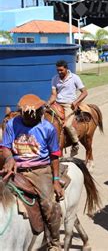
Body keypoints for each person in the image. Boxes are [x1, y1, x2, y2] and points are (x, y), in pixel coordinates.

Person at [1, 94, 64, 250]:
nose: (28, 117)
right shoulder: (11, 124)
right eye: (25, 114)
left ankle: (55, 243)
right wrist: (9, 159)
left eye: (32, 115)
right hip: (15, 168)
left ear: (39, 112)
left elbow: (54, 156)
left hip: (40, 171)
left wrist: (55, 180)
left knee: (49, 205)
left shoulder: (48, 128)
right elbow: (6, 148)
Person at [47, 59, 88, 156]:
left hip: (69, 104)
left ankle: (75, 143)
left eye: (61, 70)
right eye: (58, 70)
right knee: (45, 119)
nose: (59, 72)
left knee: (68, 124)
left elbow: (85, 92)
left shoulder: (75, 78)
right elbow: (54, 95)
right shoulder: (54, 79)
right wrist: (48, 103)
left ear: (66, 68)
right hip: (57, 103)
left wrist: (76, 102)